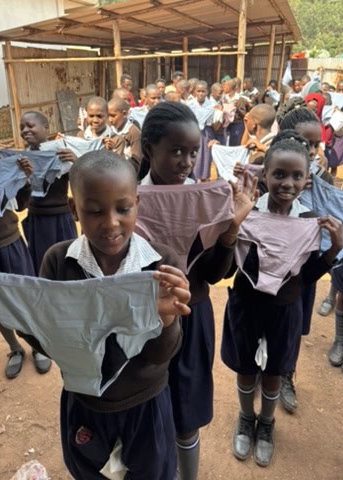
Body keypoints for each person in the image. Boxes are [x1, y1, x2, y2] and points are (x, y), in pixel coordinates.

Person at [19, 150, 191, 480]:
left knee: (153, 473)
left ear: (137, 204)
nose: (111, 223)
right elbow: (46, 344)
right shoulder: (58, 262)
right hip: (86, 405)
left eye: (123, 209)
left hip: (146, 404)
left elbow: (161, 354)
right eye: (94, 211)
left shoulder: (160, 264)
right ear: (74, 210)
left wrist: (166, 320)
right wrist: (36, 321)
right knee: (89, 473)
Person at [140, 101, 250, 480]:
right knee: (146, 406)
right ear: (147, 147)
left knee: (186, 414)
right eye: (176, 151)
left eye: (193, 152)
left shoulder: (205, 198)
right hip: (143, 321)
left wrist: (230, 229)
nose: (187, 161)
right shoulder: (127, 202)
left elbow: (216, 275)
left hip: (192, 316)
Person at [222, 136, 343, 467]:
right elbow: (229, 264)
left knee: (275, 370)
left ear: (307, 178)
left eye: (296, 176)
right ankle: (247, 418)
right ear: (265, 176)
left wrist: (332, 250)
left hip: (286, 309)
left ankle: (267, 424)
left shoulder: (309, 219)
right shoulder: (249, 211)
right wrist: (233, 224)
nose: (287, 183)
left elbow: (306, 276)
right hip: (246, 304)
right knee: (246, 368)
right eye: (279, 174)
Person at [277, 108, 334, 412]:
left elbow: (332, 213)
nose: (311, 151)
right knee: (266, 321)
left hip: (304, 267)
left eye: (315, 145)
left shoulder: (322, 176)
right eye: (304, 143)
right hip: (271, 265)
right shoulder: (270, 172)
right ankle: (264, 370)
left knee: (294, 323)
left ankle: (286, 374)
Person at [0, 155, 51, 378]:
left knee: (26, 296)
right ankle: (14, 347)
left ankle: (37, 345)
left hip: (10, 244)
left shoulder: (2, 162)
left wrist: (24, 180)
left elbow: (19, 206)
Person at [20, 111, 78, 274]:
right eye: (22, 127)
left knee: (67, 264)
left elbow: (82, 181)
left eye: (30, 126)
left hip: (60, 220)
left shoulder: (61, 153)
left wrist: (76, 161)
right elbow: (19, 203)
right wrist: (24, 179)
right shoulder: (23, 159)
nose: (25, 130)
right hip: (36, 221)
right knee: (41, 266)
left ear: (46, 128)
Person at [104, 97, 142, 174]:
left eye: (113, 116)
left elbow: (136, 161)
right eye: (108, 116)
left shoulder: (133, 132)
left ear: (124, 114)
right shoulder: (108, 128)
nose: (110, 120)